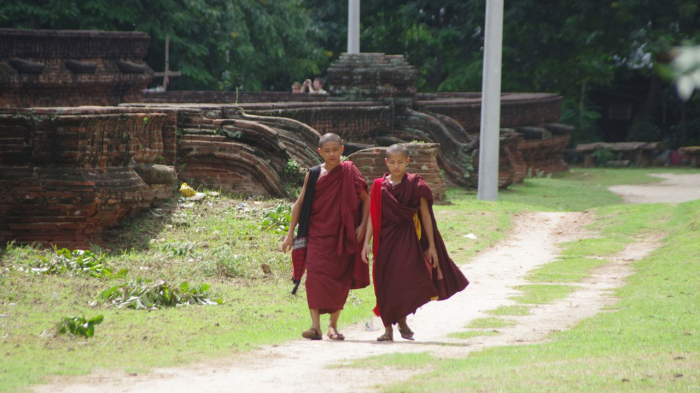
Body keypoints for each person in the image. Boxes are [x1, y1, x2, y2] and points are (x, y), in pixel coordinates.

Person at [361, 144, 469, 341]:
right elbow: (372, 216)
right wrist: (365, 244)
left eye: (400, 162)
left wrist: (432, 246)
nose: (396, 166)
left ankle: (401, 323)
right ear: (386, 162)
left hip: (408, 240)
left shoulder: (415, 184)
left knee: (402, 282)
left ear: (407, 162)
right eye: (392, 162)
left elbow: (426, 216)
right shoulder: (378, 185)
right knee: (384, 283)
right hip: (384, 241)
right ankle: (389, 330)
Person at [282, 133, 370, 340]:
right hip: (317, 235)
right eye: (327, 151)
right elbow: (300, 203)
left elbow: (366, 200)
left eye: (335, 150)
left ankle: (333, 326)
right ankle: (315, 326)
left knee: (339, 281)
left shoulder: (349, 171)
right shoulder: (313, 174)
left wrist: (362, 225)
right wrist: (289, 235)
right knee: (313, 279)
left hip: (342, 235)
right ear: (319, 152)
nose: (332, 154)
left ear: (342, 149)